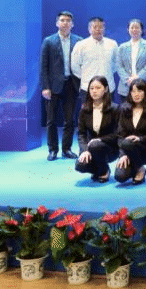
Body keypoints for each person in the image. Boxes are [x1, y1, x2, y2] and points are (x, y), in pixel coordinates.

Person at [39, 11, 83, 161]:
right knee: (51, 120)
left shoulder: (79, 41)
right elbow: (43, 66)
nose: (65, 23)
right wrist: (45, 87)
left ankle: (67, 149)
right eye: (62, 20)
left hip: (71, 84)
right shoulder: (48, 41)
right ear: (57, 23)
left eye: (68, 20)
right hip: (52, 86)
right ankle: (52, 150)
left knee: (70, 120)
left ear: (72, 24)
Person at [114, 78, 146, 184]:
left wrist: (140, 139)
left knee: (128, 142)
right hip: (127, 149)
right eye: (133, 91)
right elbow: (120, 135)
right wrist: (123, 155)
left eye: (139, 91)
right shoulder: (124, 109)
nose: (136, 94)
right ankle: (136, 167)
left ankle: (140, 169)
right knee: (119, 177)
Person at [74, 76, 118, 182]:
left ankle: (103, 171)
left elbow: (118, 134)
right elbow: (81, 134)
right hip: (91, 148)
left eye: (98, 88)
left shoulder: (115, 108)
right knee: (80, 166)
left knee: (96, 145)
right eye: (91, 88)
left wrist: (100, 140)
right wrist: (84, 150)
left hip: (110, 148)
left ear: (106, 89)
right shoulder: (84, 110)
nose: (94, 91)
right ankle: (101, 169)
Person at [71, 16, 118, 105]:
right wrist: (86, 76)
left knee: (109, 113)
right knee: (88, 113)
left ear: (104, 29)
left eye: (100, 27)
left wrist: (107, 72)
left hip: (108, 87)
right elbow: (75, 66)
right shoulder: (81, 45)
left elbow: (116, 64)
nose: (98, 29)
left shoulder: (112, 44)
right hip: (87, 88)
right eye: (95, 27)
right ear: (89, 29)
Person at [115, 19, 146, 102]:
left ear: (142, 30)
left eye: (137, 27)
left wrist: (138, 78)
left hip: (145, 84)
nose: (134, 30)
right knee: (126, 109)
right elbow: (119, 66)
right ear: (128, 30)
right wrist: (128, 80)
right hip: (126, 86)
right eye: (132, 28)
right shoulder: (122, 47)